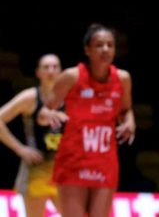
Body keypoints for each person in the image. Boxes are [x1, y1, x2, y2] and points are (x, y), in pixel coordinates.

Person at [45, 23, 135, 216]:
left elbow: (125, 110)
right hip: (73, 160)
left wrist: (130, 121)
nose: (105, 49)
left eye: (110, 45)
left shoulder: (123, 78)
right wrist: (48, 115)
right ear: (87, 49)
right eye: (99, 45)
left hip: (104, 161)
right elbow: (43, 110)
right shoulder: (71, 76)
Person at [0, 54, 66, 217]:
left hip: (64, 170)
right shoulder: (30, 97)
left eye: (54, 66)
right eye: (46, 67)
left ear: (61, 71)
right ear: (38, 72)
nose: (51, 71)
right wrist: (20, 149)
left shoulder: (71, 97)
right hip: (36, 170)